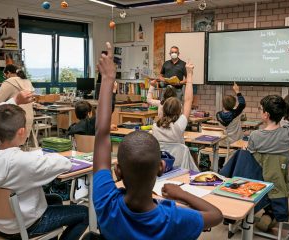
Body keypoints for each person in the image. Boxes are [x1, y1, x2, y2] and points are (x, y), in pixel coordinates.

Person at [93, 42, 223, 240]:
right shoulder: (174, 217)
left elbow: (101, 134)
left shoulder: (106, 202)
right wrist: (181, 194)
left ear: (117, 171)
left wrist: (108, 79)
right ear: (162, 167)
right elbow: (216, 216)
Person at [0, 90, 88, 239]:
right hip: (23, 226)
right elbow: (63, 164)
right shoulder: (24, 162)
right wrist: (40, 155)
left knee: (55, 199)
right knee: (84, 213)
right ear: (22, 131)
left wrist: (15, 99)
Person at [247, 62, 289, 232]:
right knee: (275, 182)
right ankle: (271, 213)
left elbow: (249, 162)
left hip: (255, 187)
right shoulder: (288, 132)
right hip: (279, 186)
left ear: (266, 115)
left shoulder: (254, 136)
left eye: (261, 109)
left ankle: (258, 213)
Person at [152, 61, 194, 145]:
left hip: (161, 157)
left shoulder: (155, 126)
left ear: (164, 109)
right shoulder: (179, 125)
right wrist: (189, 74)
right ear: (179, 111)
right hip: (178, 157)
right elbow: (188, 100)